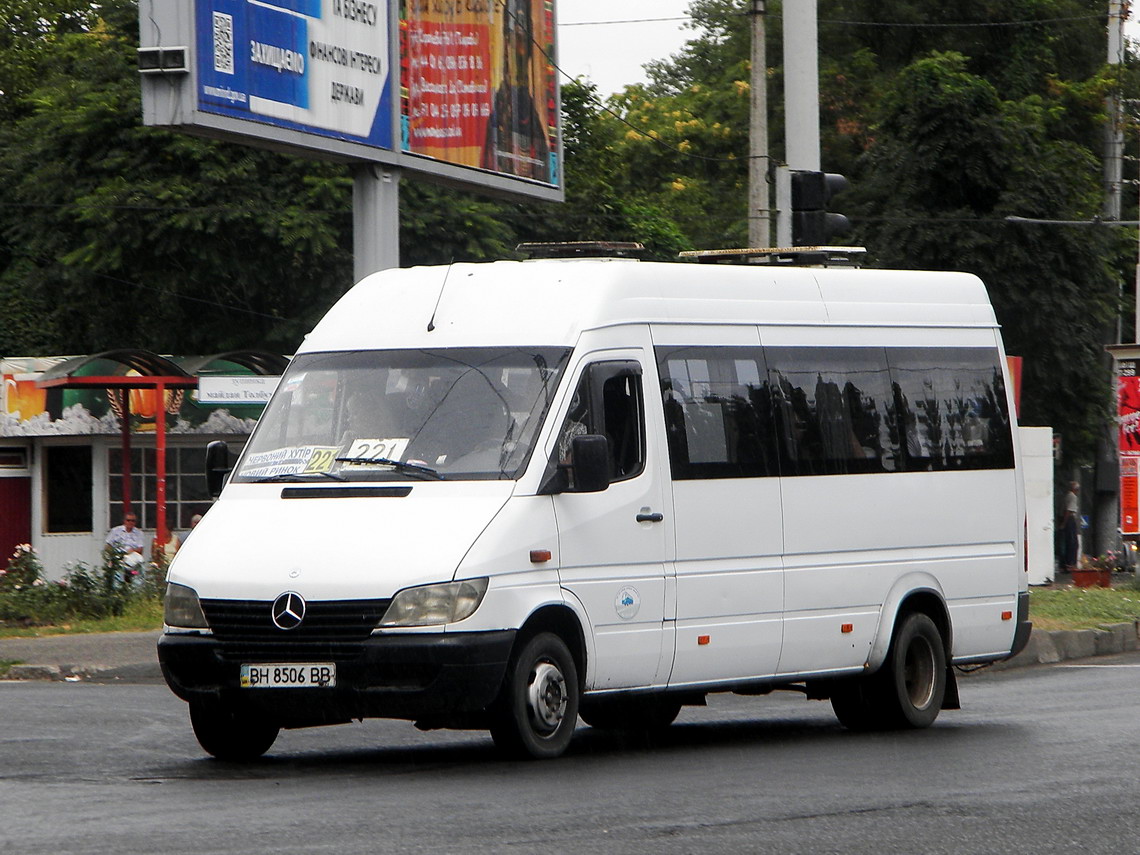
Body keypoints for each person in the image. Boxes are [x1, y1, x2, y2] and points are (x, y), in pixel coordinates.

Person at [105, 512, 146, 579]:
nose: (130, 522)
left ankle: (136, 585)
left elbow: (140, 549)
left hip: (132, 558)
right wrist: (112, 555)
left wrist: (133, 550)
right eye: (128, 520)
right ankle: (118, 585)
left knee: (139, 565)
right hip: (118, 556)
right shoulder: (115, 531)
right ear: (124, 521)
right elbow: (107, 546)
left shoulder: (139, 533)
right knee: (117, 572)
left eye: (133, 521)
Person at [1061, 481, 1080, 573]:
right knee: (1073, 543)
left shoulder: (1067, 496)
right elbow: (1068, 511)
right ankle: (1071, 564)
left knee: (1069, 542)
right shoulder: (1073, 497)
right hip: (1070, 519)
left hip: (1068, 519)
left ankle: (1067, 563)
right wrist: (1064, 523)